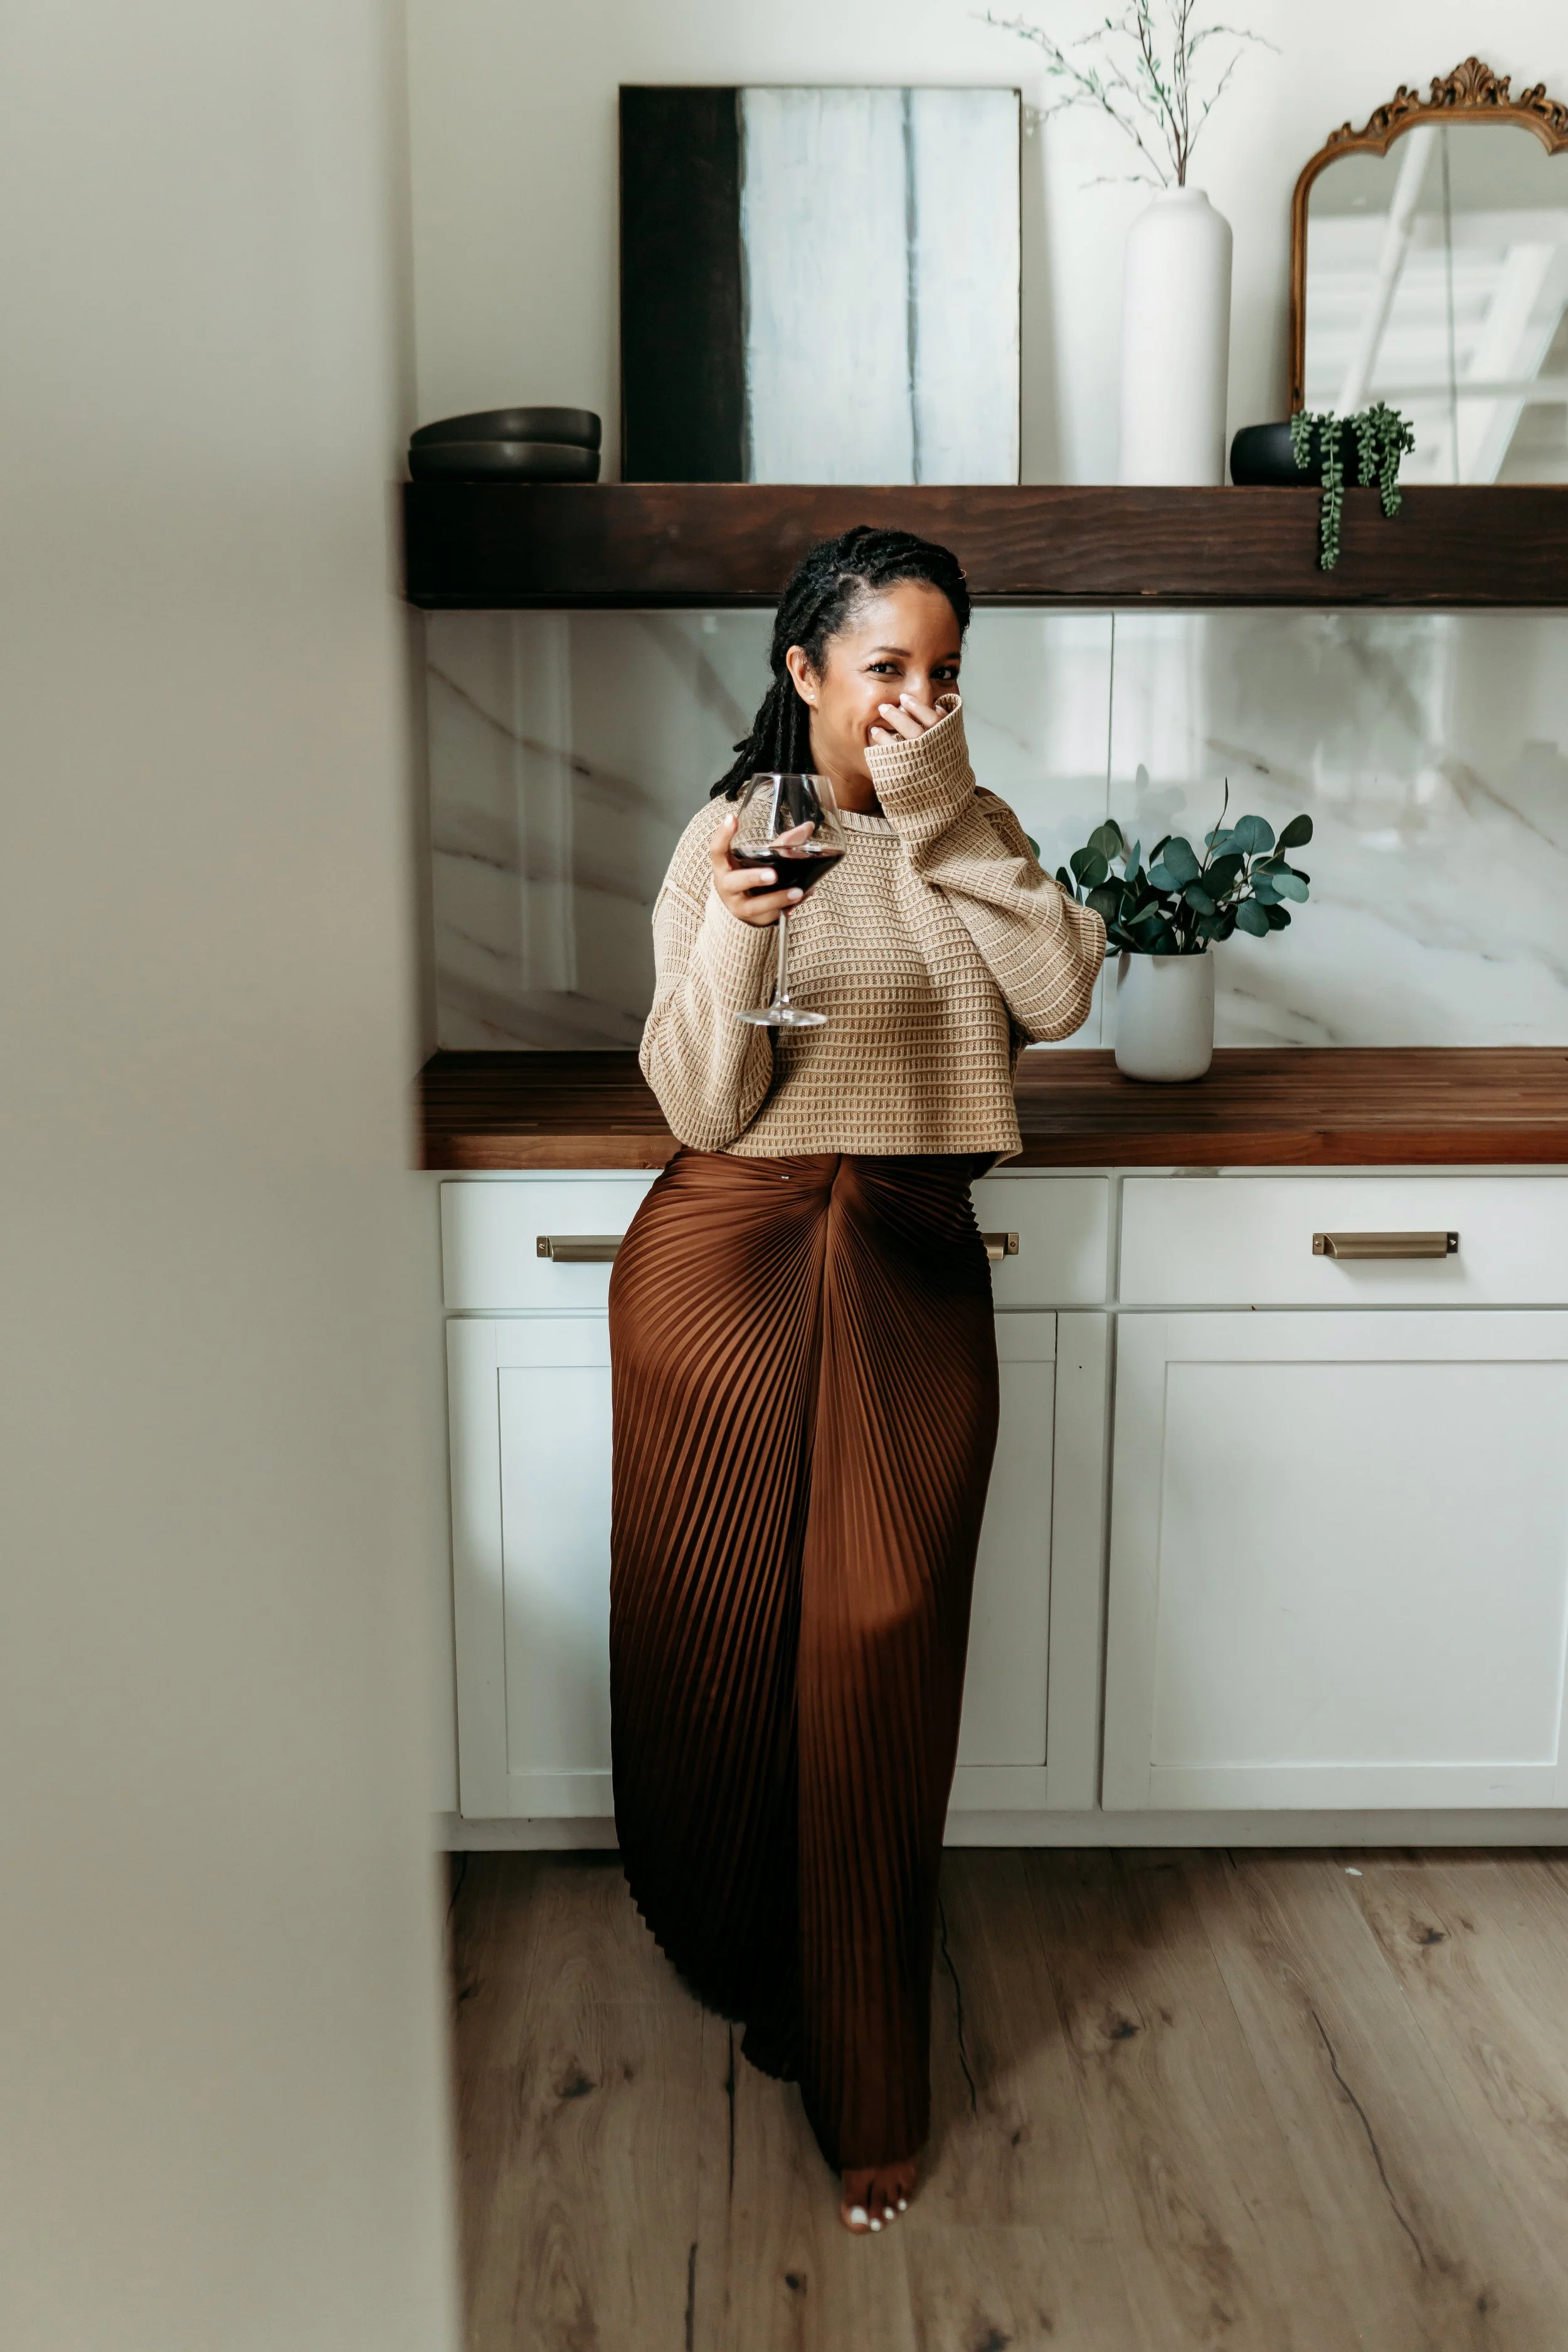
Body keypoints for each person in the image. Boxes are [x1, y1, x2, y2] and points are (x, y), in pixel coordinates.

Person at [608, 526, 1105, 2234]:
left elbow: (1054, 986)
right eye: (884, 665)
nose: (915, 696)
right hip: (724, 1254)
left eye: (943, 669)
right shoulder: (722, 835)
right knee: (721, 1636)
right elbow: (695, 1102)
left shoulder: (975, 831)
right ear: (804, 669)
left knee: (883, 1637)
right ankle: (754, 1958)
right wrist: (739, 940)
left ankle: (864, 2048)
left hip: (906, 1248)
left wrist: (949, 809)